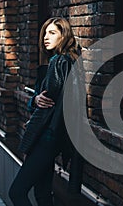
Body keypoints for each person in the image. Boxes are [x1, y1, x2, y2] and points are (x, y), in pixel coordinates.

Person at [9, 17, 84, 206]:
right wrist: (34, 100)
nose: (45, 37)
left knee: (17, 192)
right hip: (51, 135)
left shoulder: (59, 62)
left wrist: (36, 108)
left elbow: (51, 96)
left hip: (48, 137)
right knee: (42, 195)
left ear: (63, 35)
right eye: (45, 33)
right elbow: (40, 99)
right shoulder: (65, 62)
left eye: (52, 33)